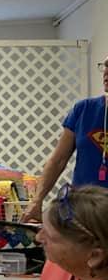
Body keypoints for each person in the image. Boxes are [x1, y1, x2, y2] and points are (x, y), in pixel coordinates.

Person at [23, 55, 108, 222]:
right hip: (82, 211)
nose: (106, 72)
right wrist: (37, 201)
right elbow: (58, 160)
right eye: (105, 66)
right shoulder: (84, 109)